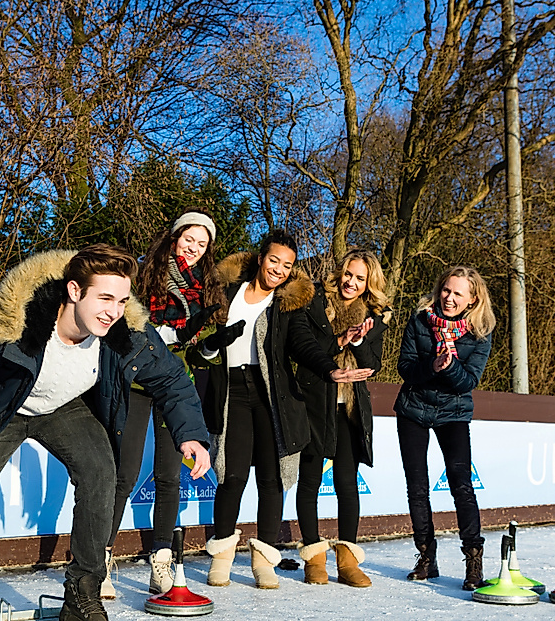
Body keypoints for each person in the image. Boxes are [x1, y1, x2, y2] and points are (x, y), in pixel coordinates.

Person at [0, 245, 212, 621]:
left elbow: (171, 380)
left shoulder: (126, 333)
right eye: (104, 298)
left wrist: (191, 434)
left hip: (64, 408)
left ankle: (82, 595)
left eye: (121, 300)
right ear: (74, 291)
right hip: (1, 407)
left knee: (101, 473)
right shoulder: (11, 322)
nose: (113, 311)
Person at [198, 230, 372, 590]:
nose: (278, 269)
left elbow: (303, 344)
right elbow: (200, 345)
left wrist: (329, 368)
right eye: (274, 260)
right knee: (231, 476)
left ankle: (264, 561)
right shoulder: (226, 293)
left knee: (272, 479)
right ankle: (222, 558)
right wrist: (212, 346)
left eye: (287, 265)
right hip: (232, 392)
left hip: (271, 396)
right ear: (261, 258)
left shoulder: (286, 304)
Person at [103, 210, 225, 598]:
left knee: (170, 476)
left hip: (175, 385)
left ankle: (161, 557)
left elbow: (200, 349)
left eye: (202, 244)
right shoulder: (142, 275)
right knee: (125, 472)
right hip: (138, 384)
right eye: (190, 238)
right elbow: (121, 324)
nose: (194, 248)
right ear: (175, 237)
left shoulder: (205, 288)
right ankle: (100, 557)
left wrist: (202, 342)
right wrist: (159, 333)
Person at [394, 265, 495, 591]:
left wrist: (448, 368)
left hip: (453, 413)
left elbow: (468, 381)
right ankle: (426, 556)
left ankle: (473, 558)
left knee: (461, 484)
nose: (449, 298)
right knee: (417, 487)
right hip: (412, 410)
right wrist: (431, 366)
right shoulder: (420, 319)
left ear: (472, 298)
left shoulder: (480, 332)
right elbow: (405, 367)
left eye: (458, 294)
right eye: (446, 290)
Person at [295, 249, 390, 587]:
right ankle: (314, 559)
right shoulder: (317, 300)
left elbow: (373, 364)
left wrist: (360, 339)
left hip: (350, 409)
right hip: (314, 402)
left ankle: (348, 561)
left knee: (347, 484)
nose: (351, 282)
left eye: (359, 278)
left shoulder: (374, 316)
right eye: (348, 274)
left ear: (369, 284)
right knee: (309, 481)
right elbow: (304, 347)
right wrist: (338, 341)